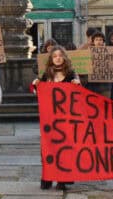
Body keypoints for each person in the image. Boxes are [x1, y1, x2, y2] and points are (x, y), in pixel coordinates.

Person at [33, 46, 80, 190]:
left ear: (64, 57)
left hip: (66, 118)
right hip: (50, 118)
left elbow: (78, 94)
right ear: (51, 59)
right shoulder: (47, 74)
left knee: (65, 149)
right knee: (47, 148)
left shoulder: (71, 74)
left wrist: (77, 85)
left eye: (60, 55)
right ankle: (47, 177)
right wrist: (35, 85)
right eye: (55, 56)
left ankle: (62, 179)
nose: (58, 58)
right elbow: (38, 92)